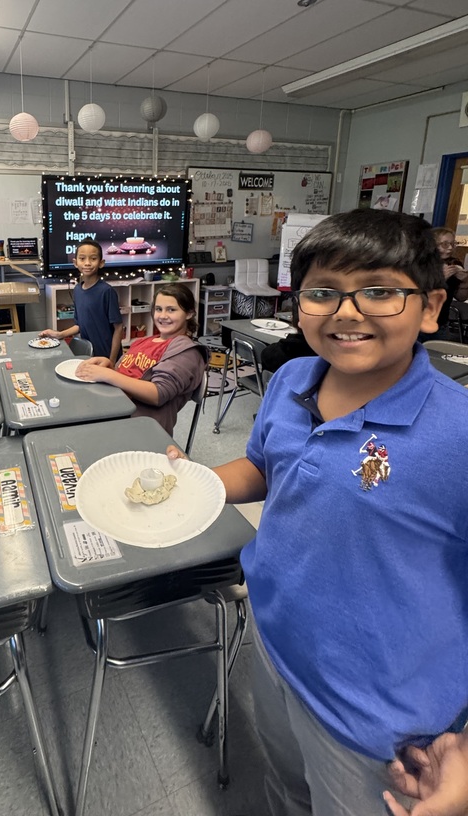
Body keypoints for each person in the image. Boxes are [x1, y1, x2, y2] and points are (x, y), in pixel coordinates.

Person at [168, 209, 468, 815]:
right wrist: (189, 483)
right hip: (277, 652)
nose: (347, 311)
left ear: (431, 307)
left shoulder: (457, 433)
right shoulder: (294, 378)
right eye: (323, 292)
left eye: (380, 292)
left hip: (379, 723)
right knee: (285, 793)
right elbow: (267, 467)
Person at [75, 282, 207, 434]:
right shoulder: (143, 342)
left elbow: (159, 393)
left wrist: (108, 374)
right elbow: (124, 374)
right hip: (113, 407)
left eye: (171, 310)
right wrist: (109, 366)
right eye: (158, 309)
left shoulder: (187, 352)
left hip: (137, 425)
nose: (163, 316)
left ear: (189, 313)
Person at [42, 238, 124, 363]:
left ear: (101, 263)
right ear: (75, 262)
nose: (87, 263)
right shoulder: (77, 290)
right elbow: (80, 325)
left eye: (93, 258)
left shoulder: (107, 292)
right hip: (89, 355)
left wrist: (111, 361)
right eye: (82, 258)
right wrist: (59, 334)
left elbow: (118, 328)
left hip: (107, 357)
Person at [421, 227, 468, 341]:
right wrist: (441, 279)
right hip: (418, 322)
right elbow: (417, 295)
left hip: (441, 322)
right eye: (445, 244)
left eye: (453, 244)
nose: (450, 248)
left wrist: (465, 281)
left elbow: (461, 297)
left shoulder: (455, 263)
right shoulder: (421, 264)